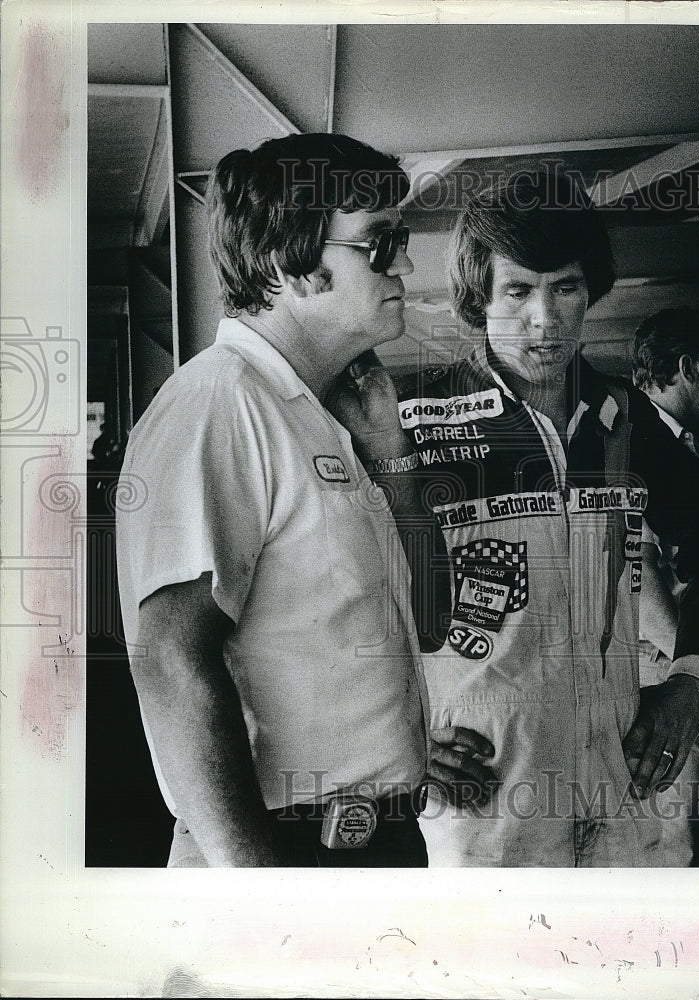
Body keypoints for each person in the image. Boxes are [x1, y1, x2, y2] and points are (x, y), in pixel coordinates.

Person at [115, 133, 493, 868]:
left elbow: (432, 621)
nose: (405, 264)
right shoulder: (218, 406)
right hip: (281, 850)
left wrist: (392, 455)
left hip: (372, 838)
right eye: (379, 245)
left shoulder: (324, 414)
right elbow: (168, 656)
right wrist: (257, 888)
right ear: (294, 265)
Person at [395, 173, 699, 866]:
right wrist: (391, 738)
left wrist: (691, 681)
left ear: (590, 289)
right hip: (489, 808)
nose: (545, 320)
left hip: (621, 793)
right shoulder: (414, 426)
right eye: (518, 291)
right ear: (478, 299)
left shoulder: (626, 420)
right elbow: (337, 599)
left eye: (564, 287)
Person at [631, 307, 699, 865]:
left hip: (676, 666)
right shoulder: (638, 444)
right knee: (676, 847)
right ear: (686, 368)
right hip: (667, 673)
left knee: (688, 830)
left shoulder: (673, 445)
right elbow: (641, 574)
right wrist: (697, 675)